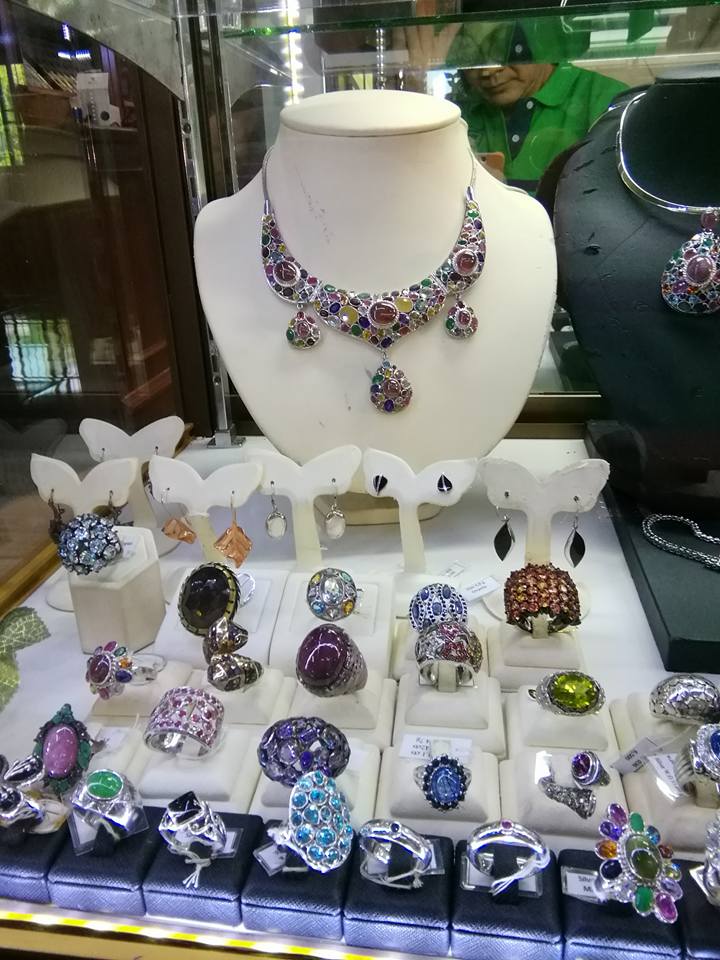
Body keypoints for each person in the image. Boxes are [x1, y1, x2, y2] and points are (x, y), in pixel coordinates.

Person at [446, 19, 628, 190]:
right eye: (471, 58)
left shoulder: (608, 98)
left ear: (539, 44)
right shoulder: (457, 113)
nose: (488, 71)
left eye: (504, 51)